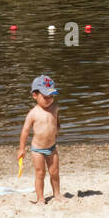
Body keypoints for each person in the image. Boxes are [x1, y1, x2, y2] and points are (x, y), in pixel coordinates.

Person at [18, 75, 62, 206]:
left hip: (52, 147)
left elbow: (56, 121)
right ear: (35, 95)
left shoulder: (55, 108)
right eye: (45, 97)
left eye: (51, 96)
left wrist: (57, 129)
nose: (49, 100)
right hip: (37, 149)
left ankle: (57, 194)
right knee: (40, 173)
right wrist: (21, 148)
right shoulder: (33, 113)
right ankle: (41, 198)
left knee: (54, 172)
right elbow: (25, 131)